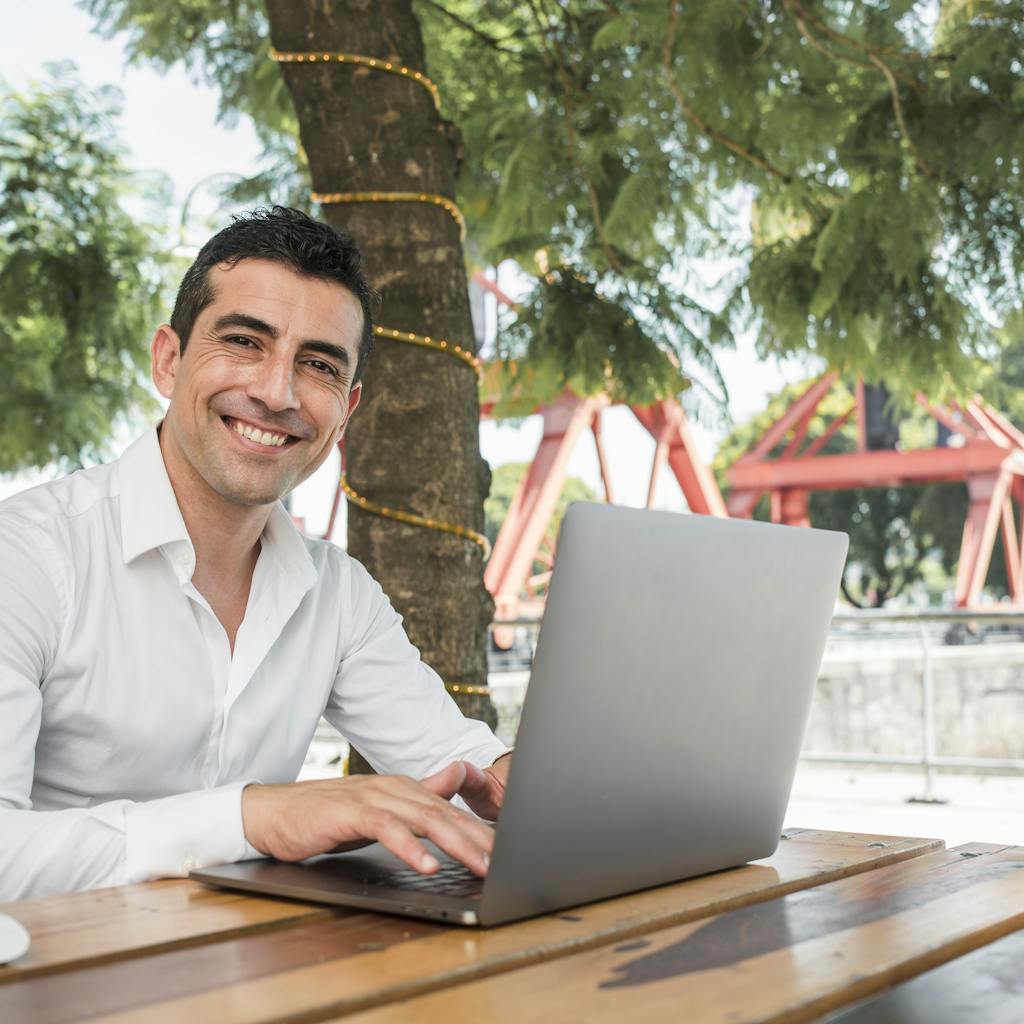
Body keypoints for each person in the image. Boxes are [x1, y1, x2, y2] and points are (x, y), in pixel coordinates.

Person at [0, 207, 511, 901]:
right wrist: (255, 816)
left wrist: (530, 785)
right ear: (168, 359)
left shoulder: (339, 592)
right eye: (244, 341)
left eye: (319, 365)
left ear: (347, 408)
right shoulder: (26, 556)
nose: (277, 393)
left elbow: (464, 765)